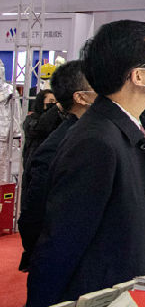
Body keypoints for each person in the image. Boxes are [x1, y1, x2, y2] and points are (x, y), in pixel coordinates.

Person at [27, 20, 145, 307]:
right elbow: (63, 239)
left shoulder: (126, 128)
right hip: (100, 294)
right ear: (137, 75)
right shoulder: (96, 141)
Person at [18, 61, 96, 272]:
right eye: (96, 85)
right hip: (62, 259)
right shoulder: (60, 144)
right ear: (80, 97)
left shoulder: (92, 135)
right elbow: (34, 213)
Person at [21, 89, 58, 170]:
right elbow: (38, 129)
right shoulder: (31, 119)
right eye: (51, 101)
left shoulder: (58, 120)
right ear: (41, 102)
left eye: (56, 102)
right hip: (34, 164)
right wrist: (54, 110)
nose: (54, 104)